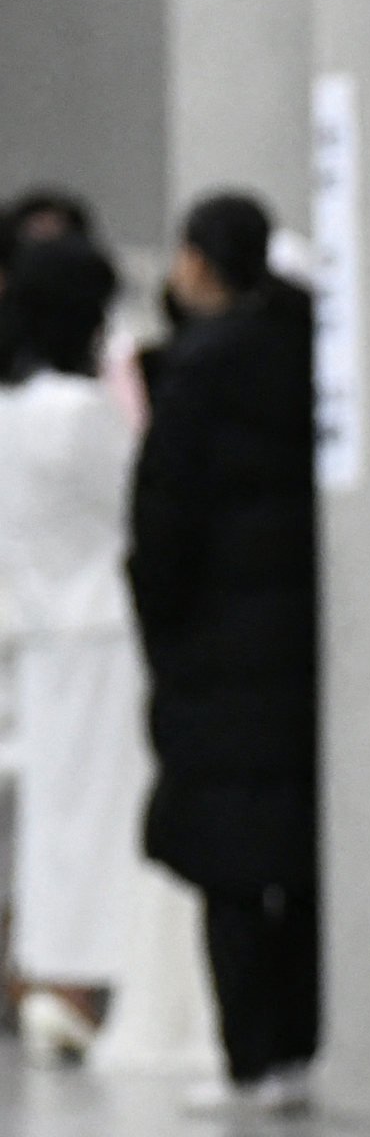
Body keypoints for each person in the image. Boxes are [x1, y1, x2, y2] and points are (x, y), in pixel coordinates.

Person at [129, 191, 317, 1113]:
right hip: (302, 645)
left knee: (230, 863)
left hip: (214, 648)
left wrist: (163, 629)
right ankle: (304, 1043)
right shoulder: (303, 350)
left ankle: (251, 1059)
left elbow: (161, 528)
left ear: (200, 262)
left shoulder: (196, 374)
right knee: (301, 851)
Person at [0, 233, 142, 1058]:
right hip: (106, 631)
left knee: (55, 817)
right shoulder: (80, 413)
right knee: (101, 816)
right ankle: (87, 980)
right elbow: (137, 502)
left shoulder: (11, 410)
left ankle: (49, 971)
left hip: (39, 631)